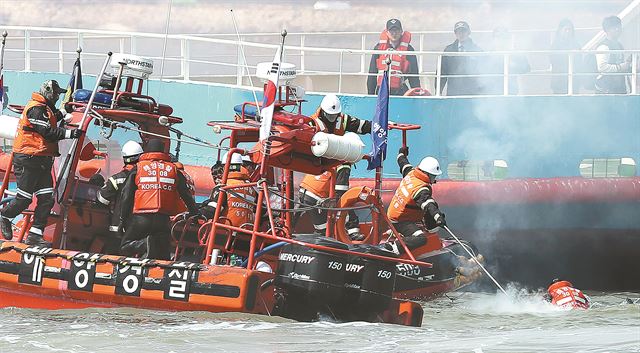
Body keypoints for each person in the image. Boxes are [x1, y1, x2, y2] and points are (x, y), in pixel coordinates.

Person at [0, 80, 83, 246]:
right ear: (48, 92)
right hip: (28, 159)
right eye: (56, 93)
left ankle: (35, 234)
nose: (57, 96)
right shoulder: (35, 108)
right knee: (24, 198)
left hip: (42, 160)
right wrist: (70, 134)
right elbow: (46, 131)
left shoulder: (44, 110)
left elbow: (51, 119)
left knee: (46, 198)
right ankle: (5, 216)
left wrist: (64, 110)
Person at [298, 94, 371, 239]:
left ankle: (339, 234)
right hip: (317, 182)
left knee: (322, 229)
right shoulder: (313, 124)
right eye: (330, 116)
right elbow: (341, 195)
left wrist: (379, 127)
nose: (332, 119)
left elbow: (362, 125)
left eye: (335, 116)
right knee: (328, 225)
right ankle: (350, 232)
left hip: (308, 189)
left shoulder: (342, 120)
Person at [119, 139, 197, 260]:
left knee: (125, 245)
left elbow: (126, 195)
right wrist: (195, 213)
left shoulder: (138, 168)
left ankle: (145, 244)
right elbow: (186, 194)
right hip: (163, 220)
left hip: (141, 218)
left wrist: (122, 219)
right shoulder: (174, 169)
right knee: (162, 253)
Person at [385, 146, 446, 252]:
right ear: (427, 174)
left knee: (429, 209)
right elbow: (428, 204)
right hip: (400, 221)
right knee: (421, 239)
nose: (434, 179)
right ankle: (394, 248)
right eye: (433, 176)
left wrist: (401, 154)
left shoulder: (411, 173)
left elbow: (403, 163)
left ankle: (428, 229)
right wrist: (438, 217)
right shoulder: (420, 189)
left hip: (396, 213)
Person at [200, 152, 257, 229]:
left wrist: (196, 213)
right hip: (247, 234)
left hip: (224, 232)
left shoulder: (223, 186)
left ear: (225, 167)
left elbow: (212, 209)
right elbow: (261, 211)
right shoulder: (252, 189)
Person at [96, 141, 143, 234]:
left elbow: (102, 200)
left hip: (118, 228)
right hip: (140, 229)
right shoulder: (145, 179)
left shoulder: (116, 179)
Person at [367, 19, 420, 96]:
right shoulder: (378, 48)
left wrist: (417, 94)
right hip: (382, 89)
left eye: (397, 30)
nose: (394, 33)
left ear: (401, 31)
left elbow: (414, 76)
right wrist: (370, 95)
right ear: (387, 32)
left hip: (400, 90)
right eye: (391, 31)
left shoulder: (409, 50)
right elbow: (372, 74)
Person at [481, 27, 530, 95]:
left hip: (511, 91)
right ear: (494, 39)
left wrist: (513, 65)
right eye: (498, 37)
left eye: (504, 37)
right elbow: (482, 72)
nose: (501, 40)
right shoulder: (488, 55)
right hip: (492, 93)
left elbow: (526, 68)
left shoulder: (514, 54)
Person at [440, 21, 483, 96]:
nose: (461, 34)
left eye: (463, 31)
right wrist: (438, 90)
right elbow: (442, 72)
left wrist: (483, 93)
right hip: (453, 92)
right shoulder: (448, 50)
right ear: (455, 34)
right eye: (458, 32)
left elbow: (483, 73)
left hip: (472, 93)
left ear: (468, 32)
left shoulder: (478, 51)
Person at [595, 16, 631, 94]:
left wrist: (629, 65)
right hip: (606, 89)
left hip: (619, 88)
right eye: (614, 27)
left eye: (619, 26)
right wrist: (621, 67)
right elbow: (602, 68)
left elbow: (620, 64)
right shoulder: (603, 47)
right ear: (607, 30)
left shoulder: (619, 45)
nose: (617, 29)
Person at [550, 19, 583, 94]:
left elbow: (579, 61)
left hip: (574, 81)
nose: (568, 32)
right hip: (559, 82)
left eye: (570, 29)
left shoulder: (576, 45)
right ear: (560, 31)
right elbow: (554, 62)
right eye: (566, 29)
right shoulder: (555, 46)